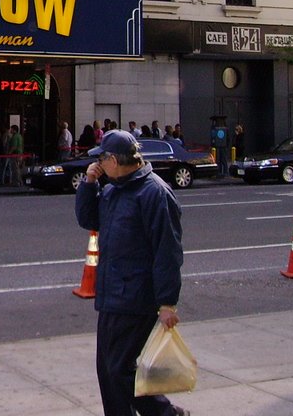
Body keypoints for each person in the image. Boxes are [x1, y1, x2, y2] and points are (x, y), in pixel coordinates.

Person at [75, 129, 186, 416]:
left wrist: (166, 303)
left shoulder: (154, 194)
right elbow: (89, 219)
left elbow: (167, 251)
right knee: (109, 371)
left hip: (137, 298)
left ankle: (165, 414)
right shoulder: (113, 188)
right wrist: (89, 184)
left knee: (119, 369)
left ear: (115, 159)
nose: (98, 163)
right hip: (112, 294)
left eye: (102, 158)